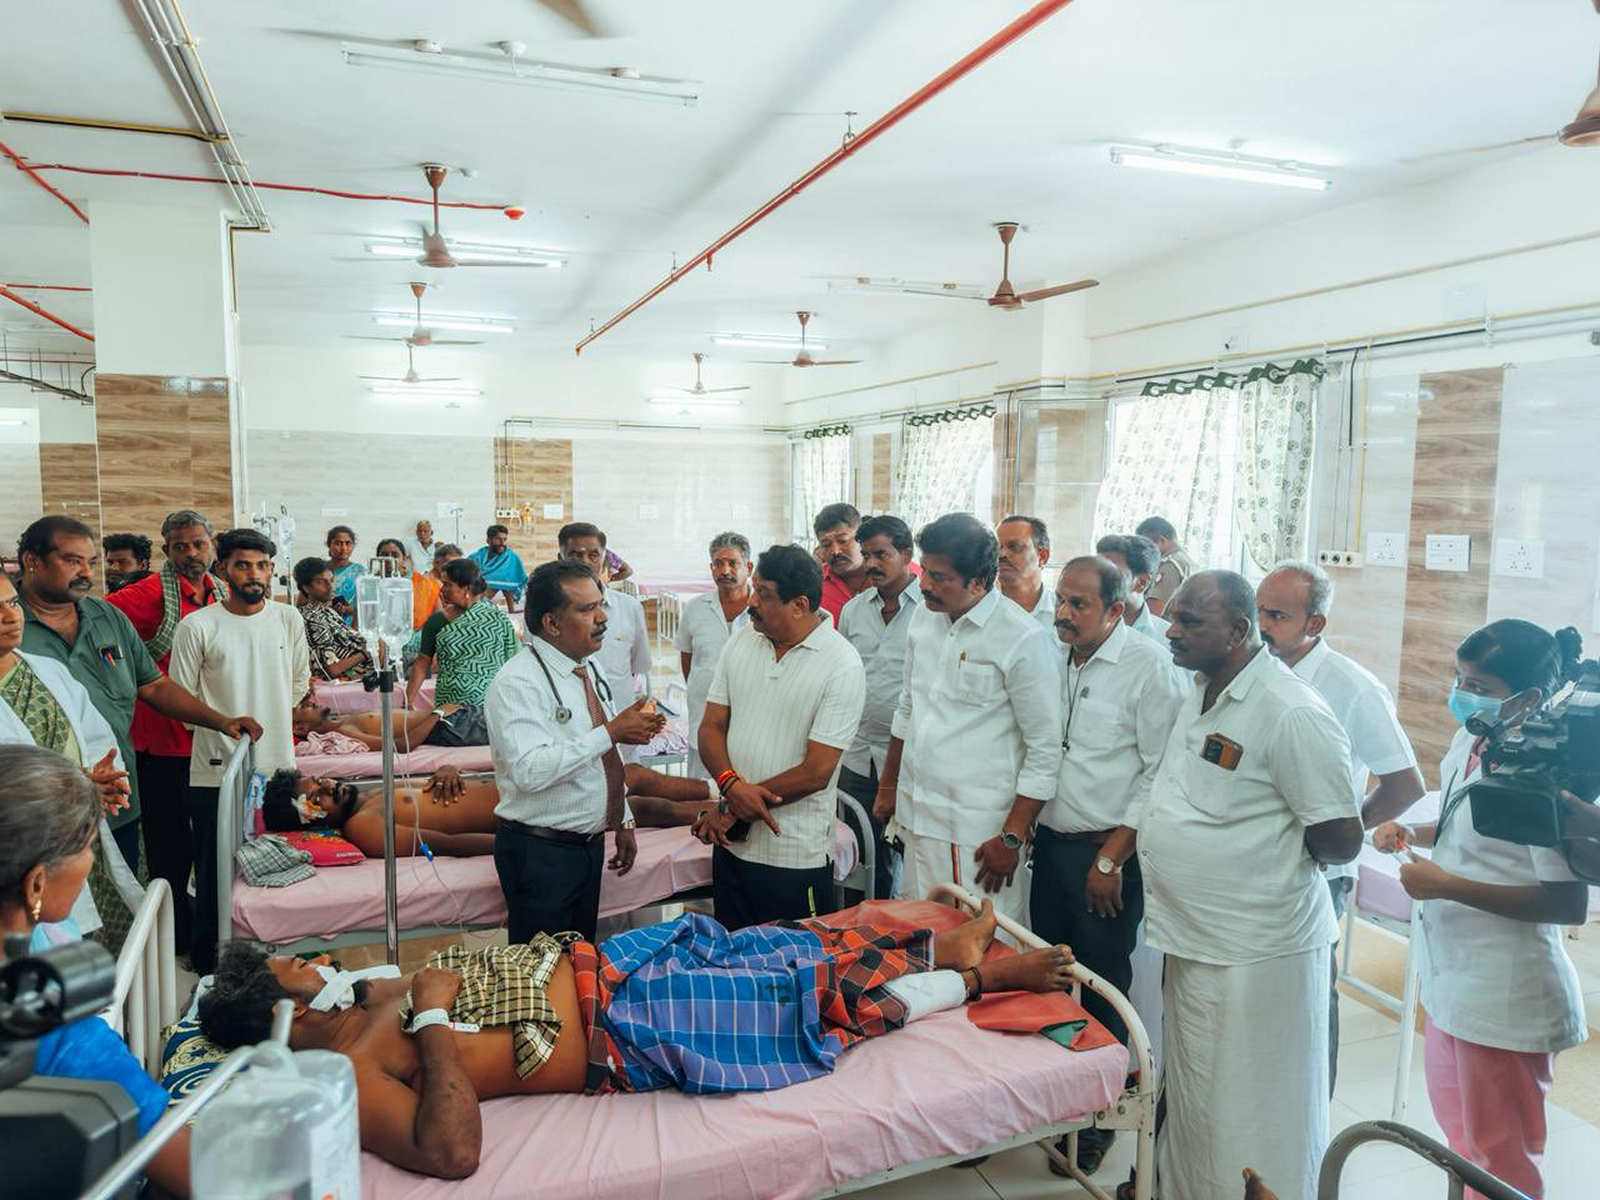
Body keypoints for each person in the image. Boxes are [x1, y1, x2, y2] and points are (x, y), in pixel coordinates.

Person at [198, 900, 1071, 1180]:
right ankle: (975, 979)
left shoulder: (355, 998)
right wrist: (428, 1015)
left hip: (597, 965)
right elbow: (452, 1151)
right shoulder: (351, 1071)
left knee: (768, 940)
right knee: (797, 1000)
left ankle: (926, 944)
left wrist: (406, 994)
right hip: (623, 1029)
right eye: (296, 973)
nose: (313, 962)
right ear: (285, 1022)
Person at [1140, 571, 1362, 1200]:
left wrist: (1267, 865)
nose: (1170, 630)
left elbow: (1340, 838)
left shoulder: (1290, 711)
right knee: (1196, 1097)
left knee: (1251, 1108)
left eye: (1188, 622)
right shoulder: (1207, 687)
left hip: (1259, 949)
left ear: (1239, 631)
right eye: (1173, 616)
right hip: (1196, 937)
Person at [1373, 620, 1589, 1199]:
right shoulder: (1471, 740)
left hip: (1506, 993)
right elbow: (1460, 818)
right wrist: (1408, 828)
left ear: (1528, 698)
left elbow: (1567, 902)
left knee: (1502, 1163)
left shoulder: (1543, 772)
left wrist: (1447, 885)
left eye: (1481, 685)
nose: (1463, 692)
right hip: (1452, 984)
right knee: (1463, 1146)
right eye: (1459, 678)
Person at [1034, 556, 1185, 1176]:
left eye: (1080, 605)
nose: (1064, 614)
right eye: (1060, 601)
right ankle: (1055, 1099)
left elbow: (1159, 775)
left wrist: (1110, 857)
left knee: (1100, 987)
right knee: (1052, 976)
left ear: (1117, 610)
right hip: (1053, 846)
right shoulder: (1053, 653)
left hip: (1107, 856)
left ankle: (1098, 1118)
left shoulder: (1150, 669)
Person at [1256, 561, 1424, 1091]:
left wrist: (1342, 834)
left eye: (1277, 615)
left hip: (1315, 873)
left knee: (1307, 999)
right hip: (1254, 866)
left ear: (1316, 624)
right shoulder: (1255, 670)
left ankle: (1312, 1122)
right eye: (1257, 610)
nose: (1262, 624)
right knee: (1258, 1003)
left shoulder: (1351, 687)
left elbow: (1405, 783)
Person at [18, 515, 261, 873]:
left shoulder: (106, 616)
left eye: (91, 563)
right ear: (32, 561)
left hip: (116, 796)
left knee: (126, 898)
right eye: (73, 561)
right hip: (41, 809)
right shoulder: (12, 629)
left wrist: (221, 721)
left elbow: (154, 685)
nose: (86, 573)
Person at [0, 744, 190, 1196]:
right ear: (37, 884)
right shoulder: (57, 1033)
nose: (90, 864)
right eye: (88, 848)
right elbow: (204, 1175)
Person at [873, 513, 1061, 929]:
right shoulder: (923, 619)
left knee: (985, 950)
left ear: (978, 582)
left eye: (939, 578)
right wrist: (889, 787)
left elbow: (1045, 749)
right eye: (926, 571)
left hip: (979, 834)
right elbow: (908, 707)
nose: (924, 585)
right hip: (917, 818)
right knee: (920, 937)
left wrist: (1011, 837)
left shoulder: (1023, 639)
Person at [486, 560, 664, 942]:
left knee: (578, 961)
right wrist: (612, 731)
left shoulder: (586, 668)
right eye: (587, 610)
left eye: (601, 605)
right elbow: (530, 771)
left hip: (587, 845)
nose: (602, 618)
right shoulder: (517, 682)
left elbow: (603, 758)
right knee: (543, 975)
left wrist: (623, 818)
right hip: (540, 852)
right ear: (551, 623)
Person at [694, 544, 866, 928]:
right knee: (732, 961)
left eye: (764, 594)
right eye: (754, 589)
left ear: (799, 605)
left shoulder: (841, 664)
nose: (751, 601)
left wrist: (732, 805)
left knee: (791, 973)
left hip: (793, 854)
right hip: (732, 846)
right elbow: (711, 727)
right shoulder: (742, 641)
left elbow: (816, 772)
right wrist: (730, 785)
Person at [169, 528, 310, 973]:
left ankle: (279, 959)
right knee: (215, 872)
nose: (254, 574)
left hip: (278, 769)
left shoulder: (288, 619)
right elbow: (182, 699)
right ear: (223, 569)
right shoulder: (198, 626)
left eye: (262, 565)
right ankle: (211, 963)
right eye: (243, 565)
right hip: (217, 771)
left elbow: (298, 684)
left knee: (275, 863)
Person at [106, 508, 234, 955]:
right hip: (163, 745)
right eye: (180, 546)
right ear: (166, 551)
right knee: (169, 850)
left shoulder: (222, 593)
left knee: (215, 845)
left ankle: (211, 933)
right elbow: (96, 623)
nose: (190, 553)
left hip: (213, 741)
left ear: (212, 545)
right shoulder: (143, 596)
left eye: (198, 544)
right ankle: (175, 938)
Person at [1, 573, 139, 944]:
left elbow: (95, 740)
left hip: (77, 833)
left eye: (13, 603)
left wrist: (101, 779)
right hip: (15, 854)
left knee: (95, 940)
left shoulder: (48, 671)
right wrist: (73, 786)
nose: (9, 617)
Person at [260, 761, 716, 859]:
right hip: (524, 814)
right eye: (315, 795)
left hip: (518, 785)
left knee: (629, 772)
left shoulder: (367, 794)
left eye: (318, 781)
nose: (327, 785)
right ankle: (708, 811)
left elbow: (434, 784)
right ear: (310, 818)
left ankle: (714, 791)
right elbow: (448, 843)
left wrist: (447, 769)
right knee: (631, 799)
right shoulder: (365, 827)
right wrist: (515, 847)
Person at [835, 515, 921, 900]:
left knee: (899, 856)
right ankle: (854, 930)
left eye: (881, 554)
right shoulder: (854, 610)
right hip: (856, 753)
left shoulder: (930, 613)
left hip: (907, 758)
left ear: (906, 554)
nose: (871, 563)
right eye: (866, 554)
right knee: (855, 853)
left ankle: (893, 935)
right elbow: (841, 673)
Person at [674, 532, 753, 778]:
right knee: (702, 791)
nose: (724, 570)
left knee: (745, 786)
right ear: (711, 568)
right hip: (704, 713)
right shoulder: (696, 609)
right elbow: (688, 661)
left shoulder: (763, 608)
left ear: (748, 567)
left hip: (750, 717)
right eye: (718, 563)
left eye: (733, 563)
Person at [558, 523, 650, 711]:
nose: (584, 562)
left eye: (593, 555)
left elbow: (639, 664)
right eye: (575, 555)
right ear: (560, 559)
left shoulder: (629, 608)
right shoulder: (546, 613)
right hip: (568, 724)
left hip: (620, 719)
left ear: (604, 559)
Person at [407, 558, 520, 710]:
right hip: (450, 705)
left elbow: (513, 659)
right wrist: (408, 702)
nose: (442, 590)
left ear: (466, 588)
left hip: (491, 703)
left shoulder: (496, 618)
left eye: (448, 585)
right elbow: (421, 663)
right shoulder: (436, 622)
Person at [291, 700, 487, 751]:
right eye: (301, 707)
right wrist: (438, 714)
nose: (308, 702)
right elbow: (401, 746)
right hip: (452, 727)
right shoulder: (346, 732)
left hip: (456, 717)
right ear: (301, 728)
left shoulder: (344, 721)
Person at [294, 556, 371, 682]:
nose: (330, 587)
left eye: (331, 580)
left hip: (368, 669)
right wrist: (366, 653)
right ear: (305, 587)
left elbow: (347, 642)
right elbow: (330, 670)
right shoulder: (311, 618)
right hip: (359, 677)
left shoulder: (328, 610)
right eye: (321, 582)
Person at [1095, 533, 1171, 644]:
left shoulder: (1167, 638)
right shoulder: (1074, 625)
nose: (1096, 579)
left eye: (1109, 572)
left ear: (1141, 583)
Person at [995, 514, 1056, 631]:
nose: (1002, 554)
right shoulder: (979, 610)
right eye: (998, 547)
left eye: (1015, 546)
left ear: (1042, 556)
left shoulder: (1062, 614)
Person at [815, 502, 870, 622]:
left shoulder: (889, 577)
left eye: (843, 541)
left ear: (861, 538)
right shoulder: (813, 583)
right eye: (826, 544)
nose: (835, 551)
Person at [375, 536, 441, 630]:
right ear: (378, 558)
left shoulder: (423, 583)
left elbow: (437, 617)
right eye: (384, 555)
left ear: (404, 558)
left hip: (417, 639)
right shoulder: (370, 585)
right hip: (378, 640)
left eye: (395, 555)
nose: (389, 559)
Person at [1134, 515, 1195, 617]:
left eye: (1146, 546)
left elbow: (1153, 612)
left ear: (1162, 540)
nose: (1144, 552)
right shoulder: (1185, 560)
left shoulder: (1170, 565)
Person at [469, 524, 527, 606]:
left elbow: (509, 584)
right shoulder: (475, 558)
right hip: (468, 598)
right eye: (498, 539)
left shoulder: (510, 558)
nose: (502, 543)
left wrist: (511, 609)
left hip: (482, 603)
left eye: (505, 539)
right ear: (488, 540)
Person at [324, 524, 364, 621]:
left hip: (351, 626)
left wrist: (345, 609)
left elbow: (365, 607)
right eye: (338, 543)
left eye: (348, 543)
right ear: (329, 545)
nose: (344, 548)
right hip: (323, 623)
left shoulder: (359, 572)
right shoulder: (320, 568)